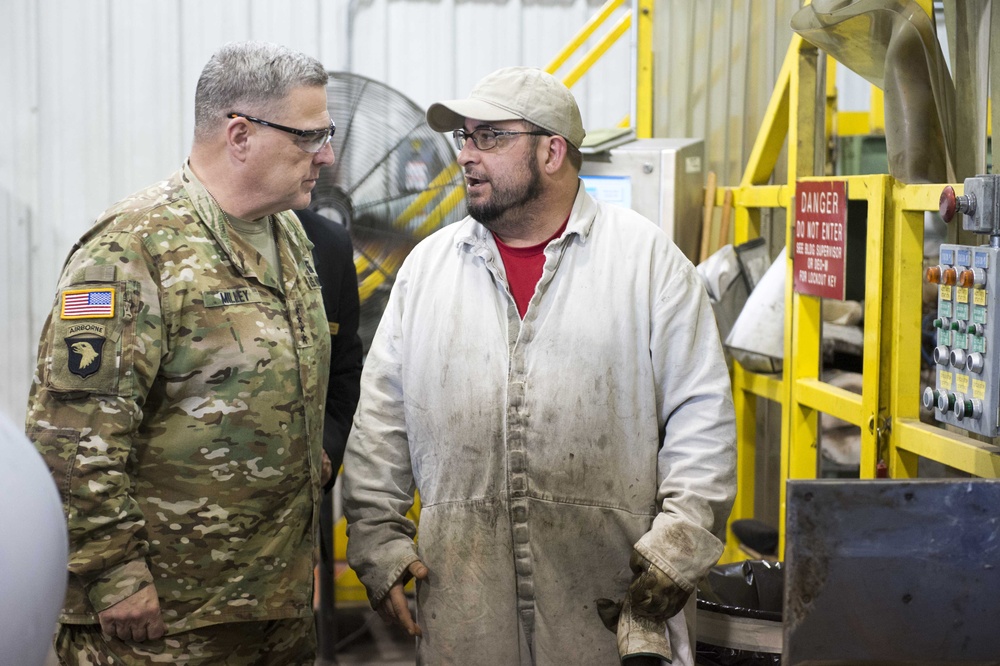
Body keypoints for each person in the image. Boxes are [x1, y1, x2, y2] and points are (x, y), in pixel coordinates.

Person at [342, 66, 737, 665]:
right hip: (464, 604)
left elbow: (701, 416)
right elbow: (382, 419)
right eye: (465, 138)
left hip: (615, 602)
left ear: (553, 151)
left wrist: (675, 553)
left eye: (490, 137)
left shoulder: (647, 263)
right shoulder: (426, 272)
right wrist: (378, 541)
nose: (467, 157)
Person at [25, 41, 337, 664]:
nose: (326, 157)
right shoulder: (129, 250)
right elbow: (71, 438)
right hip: (163, 622)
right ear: (240, 135)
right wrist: (115, 577)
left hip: (273, 605)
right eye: (310, 137)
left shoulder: (290, 236)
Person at [294, 207, 364, 658]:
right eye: (309, 139)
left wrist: (326, 454)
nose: (326, 156)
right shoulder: (151, 236)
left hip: (288, 567)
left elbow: (344, 370)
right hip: (181, 575)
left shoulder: (331, 246)